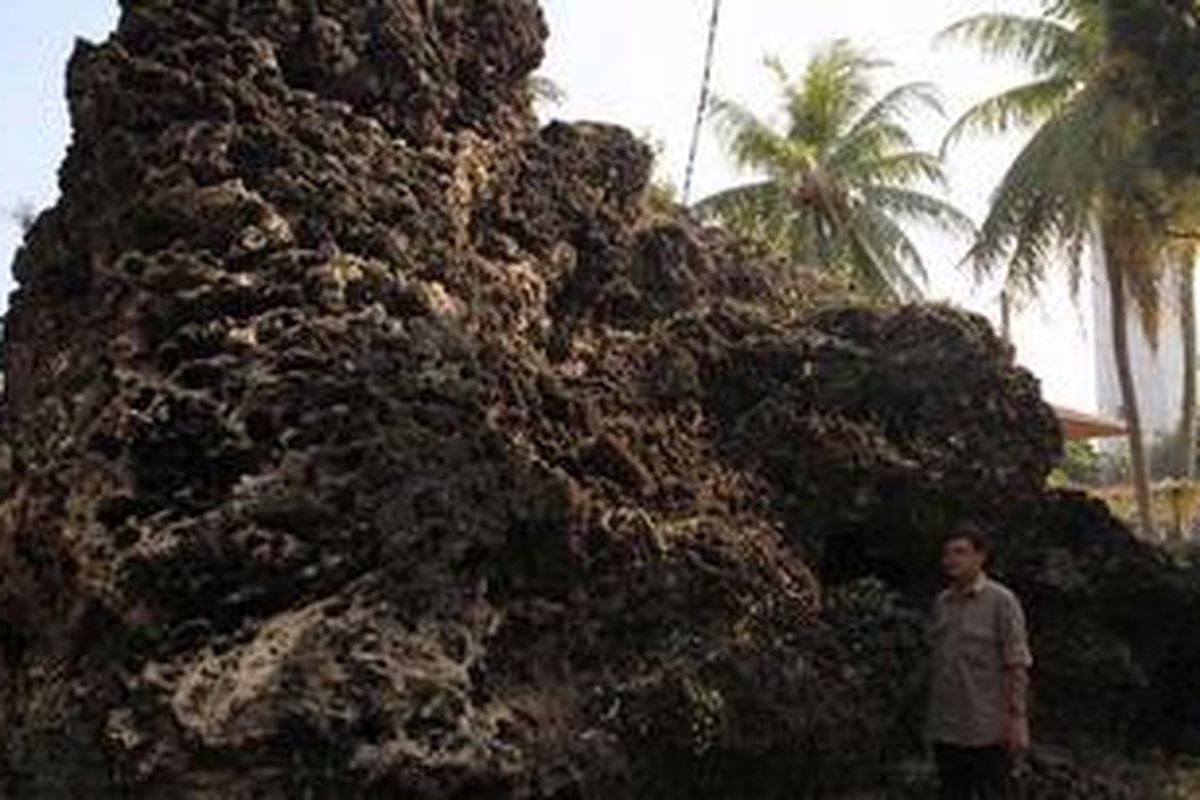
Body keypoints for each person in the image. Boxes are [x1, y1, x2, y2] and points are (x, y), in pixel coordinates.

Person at [928, 523, 1032, 800]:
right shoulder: (942, 603)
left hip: (988, 729)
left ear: (980, 556)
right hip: (947, 728)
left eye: (960, 552)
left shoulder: (1002, 602)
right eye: (947, 554)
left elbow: (1017, 662)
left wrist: (1017, 719)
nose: (952, 560)